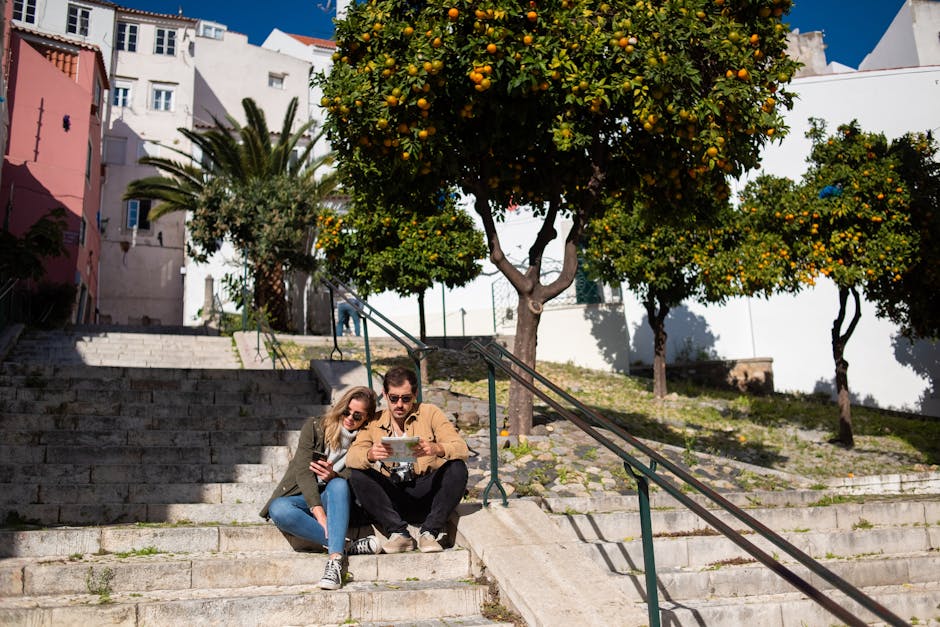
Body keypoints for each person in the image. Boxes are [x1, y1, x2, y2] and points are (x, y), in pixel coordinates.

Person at [260, 386, 380, 590]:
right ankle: (346, 545)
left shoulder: (365, 441)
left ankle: (334, 563)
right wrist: (319, 514)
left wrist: (335, 475)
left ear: (366, 418)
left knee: (339, 484)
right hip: (305, 498)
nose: (350, 418)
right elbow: (302, 472)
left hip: (338, 500)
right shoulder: (315, 426)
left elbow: (360, 477)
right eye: (346, 411)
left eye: (357, 416)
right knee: (278, 508)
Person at [347, 366, 469, 554]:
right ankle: (399, 534)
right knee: (358, 474)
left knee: (457, 467)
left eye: (406, 398)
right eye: (393, 398)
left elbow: (461, 448)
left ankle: (429, 532)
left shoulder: (430, 413)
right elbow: (352, 457)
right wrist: (370, 455)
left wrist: (437, 448)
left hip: (426, 490)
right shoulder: (374, 421)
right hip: (393, 495)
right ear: (385, 395)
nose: (399, 405)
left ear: (415, 395)